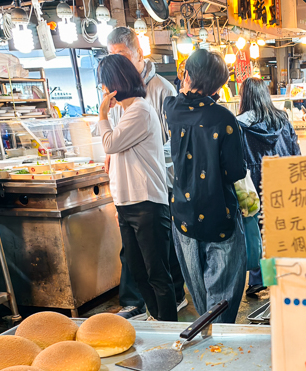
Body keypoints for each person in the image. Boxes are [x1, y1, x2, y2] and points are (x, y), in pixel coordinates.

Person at [106, 26, 186, 319]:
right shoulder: (117, 96)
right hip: (129, 190)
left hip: (157, 182)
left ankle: (171, 306)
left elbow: (173, 142)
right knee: (140, 260)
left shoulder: (161, 91)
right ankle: (152, 309)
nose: (120, 62)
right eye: (114, 56)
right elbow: (115, 140)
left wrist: (146, 152)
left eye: (124, 55)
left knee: (161, 258)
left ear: (139, 51)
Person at [164, 49, 247, 323]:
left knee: (201, 298)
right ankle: (219, 352)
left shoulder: (172, 110)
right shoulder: (223, 119)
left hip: (184, 218)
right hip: (218, 216)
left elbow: (177, 97)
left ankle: (206, 342)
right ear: (220, 84)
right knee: (221, 301)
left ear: (186, 76)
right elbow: (236, 171)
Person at [236, 77, 301, 296]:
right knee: (279, 230)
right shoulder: (283, 120)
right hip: (282, 178)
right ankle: (282, 276)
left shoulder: (239, 125)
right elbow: (295, 153)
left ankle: (259, 279)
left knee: (258, 231)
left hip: (253, 182)